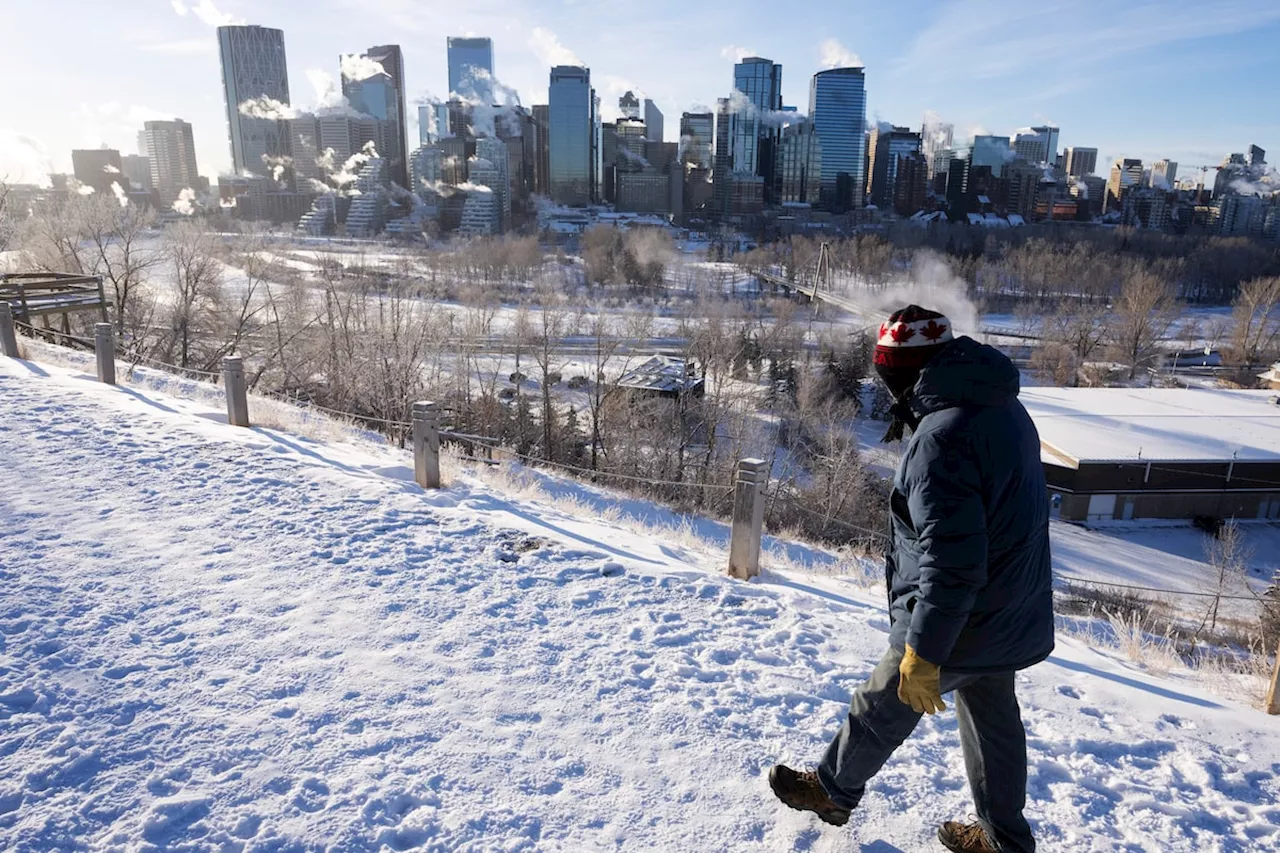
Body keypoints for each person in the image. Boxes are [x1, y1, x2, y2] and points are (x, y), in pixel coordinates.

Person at [768, 306, 1054, 853]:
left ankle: (831, 791)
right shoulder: (1002, 406)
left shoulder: (942, 438)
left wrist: (922, 651)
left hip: (960, 617)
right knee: (994, 728)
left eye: (887, 371)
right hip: (1008, 608)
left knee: (883, 701)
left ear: (903, 371)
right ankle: (1003, 840)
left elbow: (951, 564)